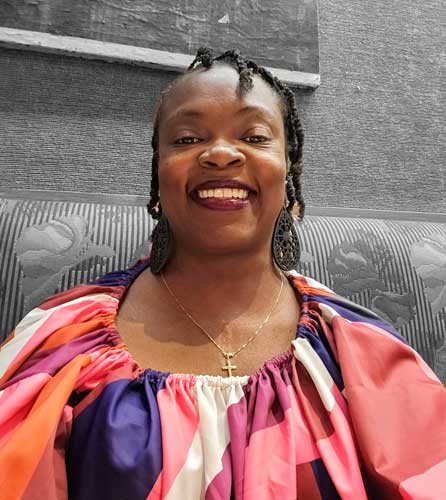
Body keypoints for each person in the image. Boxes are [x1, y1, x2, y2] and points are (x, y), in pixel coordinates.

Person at [0, 48, 445, 500]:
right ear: (158, 171)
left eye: (254, 136)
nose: (220, 154)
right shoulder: (60, 341)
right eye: (187, 139)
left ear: (288, 169)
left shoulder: (359, 347)